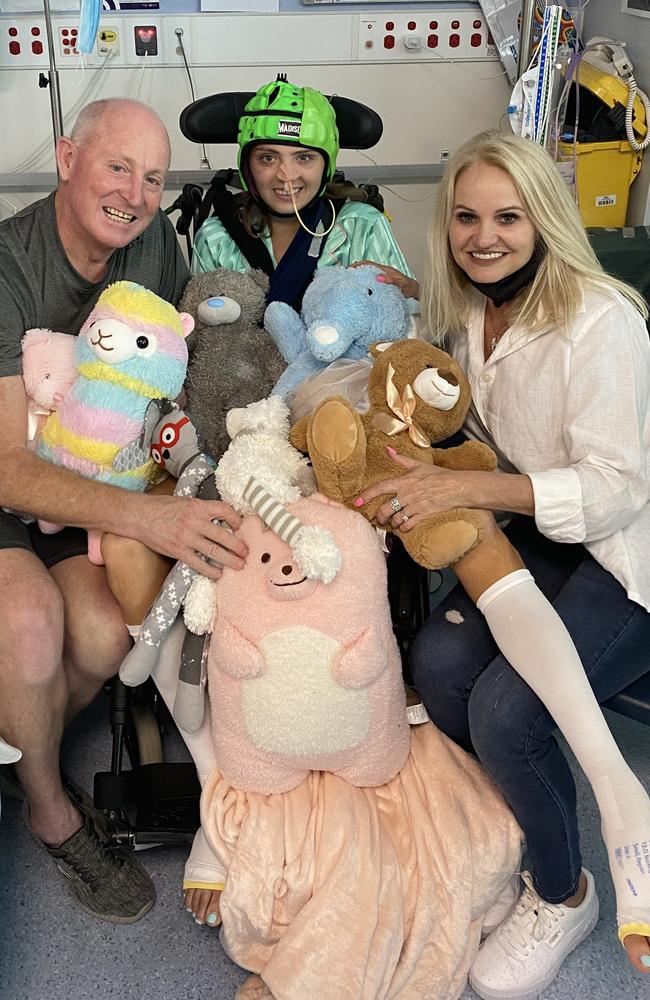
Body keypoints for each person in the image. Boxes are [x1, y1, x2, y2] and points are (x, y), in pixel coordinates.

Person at [359, 130, 650, 995]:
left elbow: (616, 491)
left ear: (545, 219)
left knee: (508, 711)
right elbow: (458, 422)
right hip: (537, 549)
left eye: (508, 218)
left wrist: (476, 493)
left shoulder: (601, 320)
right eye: (467, 218)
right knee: (439, 666)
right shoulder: (467, 315)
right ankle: (524, 830)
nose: (484, 237)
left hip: (619, 555)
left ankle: (567, 891)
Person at [0, 97, 247, 923]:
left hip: (96, 481)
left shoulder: (153, 245)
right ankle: (49, 807)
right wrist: (148, 519)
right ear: (67, 158)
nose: (136, 194)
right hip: (12, 482)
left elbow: (183, 360)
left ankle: (14, 739)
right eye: (117, 167)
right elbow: (7, 469)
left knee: (105, 637)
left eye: (153, 177)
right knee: (31, 622)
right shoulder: (10, 264)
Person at [190, 75, 419, 304]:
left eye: (304, 157)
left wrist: (413, 290)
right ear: (247, 166)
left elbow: (407, 323)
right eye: (268, 158)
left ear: (326, 166)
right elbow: (203, 330)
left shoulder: (362, 226)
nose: (286, 176)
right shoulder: (216, 239)